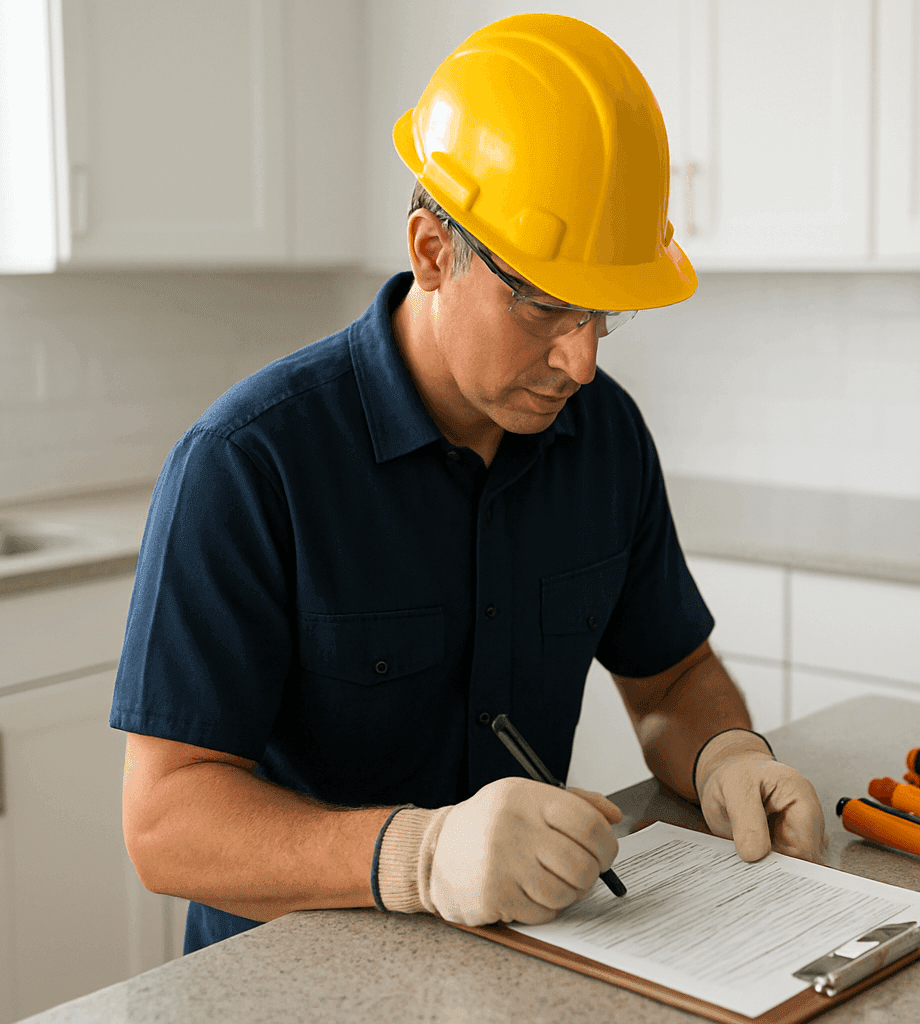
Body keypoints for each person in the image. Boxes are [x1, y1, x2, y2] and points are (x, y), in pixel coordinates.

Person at [113, 13, 825, 953]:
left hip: (520, 967)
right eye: (544, 306)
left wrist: (724, 750)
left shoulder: (602, 434)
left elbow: (671, 676)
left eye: (603, 313)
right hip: (292, 982)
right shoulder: (248, 464)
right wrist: (418, 853)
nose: (580, 359)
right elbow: (166, 824)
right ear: (432, 252)